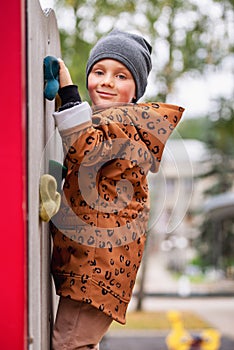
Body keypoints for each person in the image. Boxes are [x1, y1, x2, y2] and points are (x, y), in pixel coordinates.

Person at [50, 29, 184, 349]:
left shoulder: (127, 128)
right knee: (79, 342)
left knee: (70, 343)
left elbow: (86, 149)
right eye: (99, 71)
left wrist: (68, 93)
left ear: (135, 90)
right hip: (94, 266)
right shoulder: (111, 122)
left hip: (98, 269)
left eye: (121, 75)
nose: (108, 81)